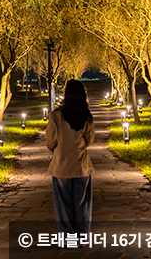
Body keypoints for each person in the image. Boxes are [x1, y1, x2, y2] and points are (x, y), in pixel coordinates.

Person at [45, 79, 95, 237]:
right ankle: (82, 236)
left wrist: (59, 148)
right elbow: (89, 140)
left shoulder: (56, 116)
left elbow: (50, 141)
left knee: (63, 204)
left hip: (61, 166)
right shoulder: (86, 117)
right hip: (81, 165)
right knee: (82, 204)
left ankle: (67, 237)